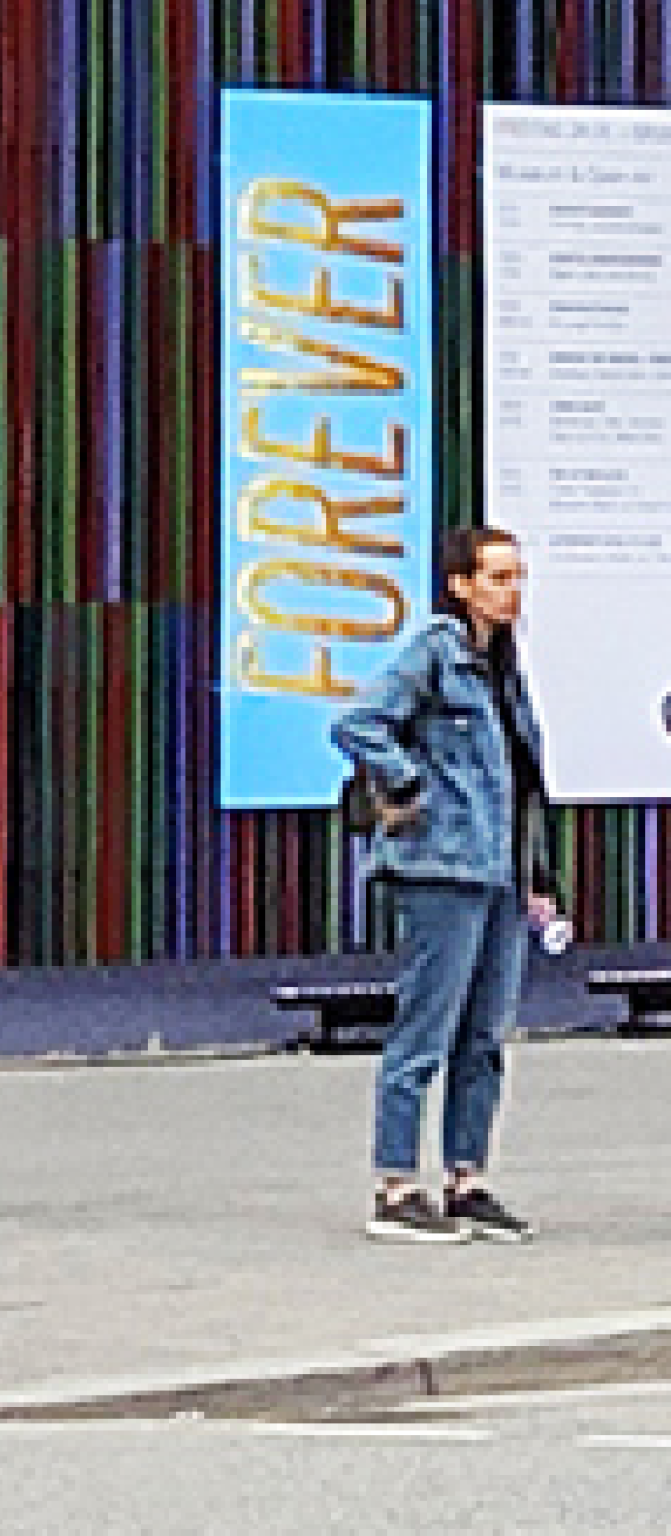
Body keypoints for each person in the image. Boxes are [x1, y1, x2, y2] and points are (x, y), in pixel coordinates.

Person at [327, 518, 565, 1243]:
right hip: (442, 868)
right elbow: (358, 723)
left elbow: (521, 780)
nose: (512, 590)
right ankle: (395, 1187)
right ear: (460, 586)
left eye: (518, 576)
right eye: (497, 577)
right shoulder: (434, 653)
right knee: (425, 1028)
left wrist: (537, 876)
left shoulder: (504, 666)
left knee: (485, 1035)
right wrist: (408, 782)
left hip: (497, 871)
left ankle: (468, 1179)